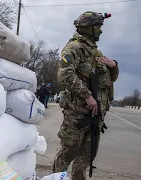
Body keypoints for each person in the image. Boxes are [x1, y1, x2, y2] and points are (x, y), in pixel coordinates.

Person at [53, 11, 119, 180]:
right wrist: (87, 96)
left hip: (95, 116)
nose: (100, 30)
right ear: (88, 28)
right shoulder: (75, 47)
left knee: (86, 157)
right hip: (77, 114)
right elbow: (65, 74)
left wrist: (113, 66)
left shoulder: (96, 52)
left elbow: (109, 80)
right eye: (97, 27)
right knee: (67, 153)